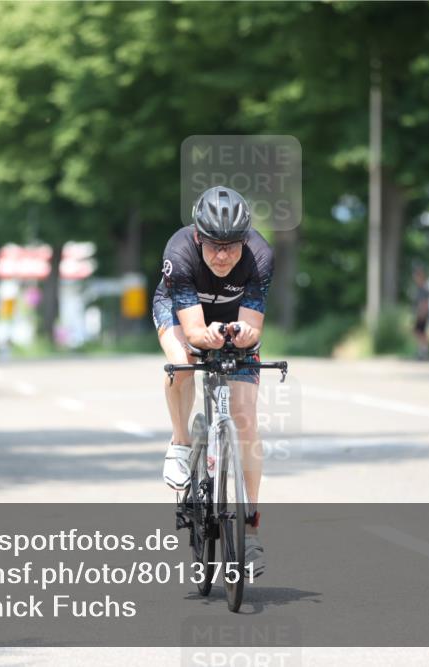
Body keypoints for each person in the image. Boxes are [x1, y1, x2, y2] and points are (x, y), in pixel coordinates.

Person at [153, 185, 273, 574]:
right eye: (214, 246)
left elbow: (254, 329)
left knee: (246, 419)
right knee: (183, 365)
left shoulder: (261, 256)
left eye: (232, 246)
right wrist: (212, 333)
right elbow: (194, 332)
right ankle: (181, 442)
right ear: (198, 238)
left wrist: (239, 333)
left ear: (245, 240)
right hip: (182, 314)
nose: (223, 255)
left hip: (230, 319)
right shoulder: (179, 252)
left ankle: (251, 532)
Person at [412, 266, 429, 360]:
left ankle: (424, 351)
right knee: (419, 332)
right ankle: (422, 350)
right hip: (420, 313)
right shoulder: (420, 288)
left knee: (420, 332)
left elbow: (425, 303)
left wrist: (422, 313)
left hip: (422, 314)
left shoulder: (424, 288)